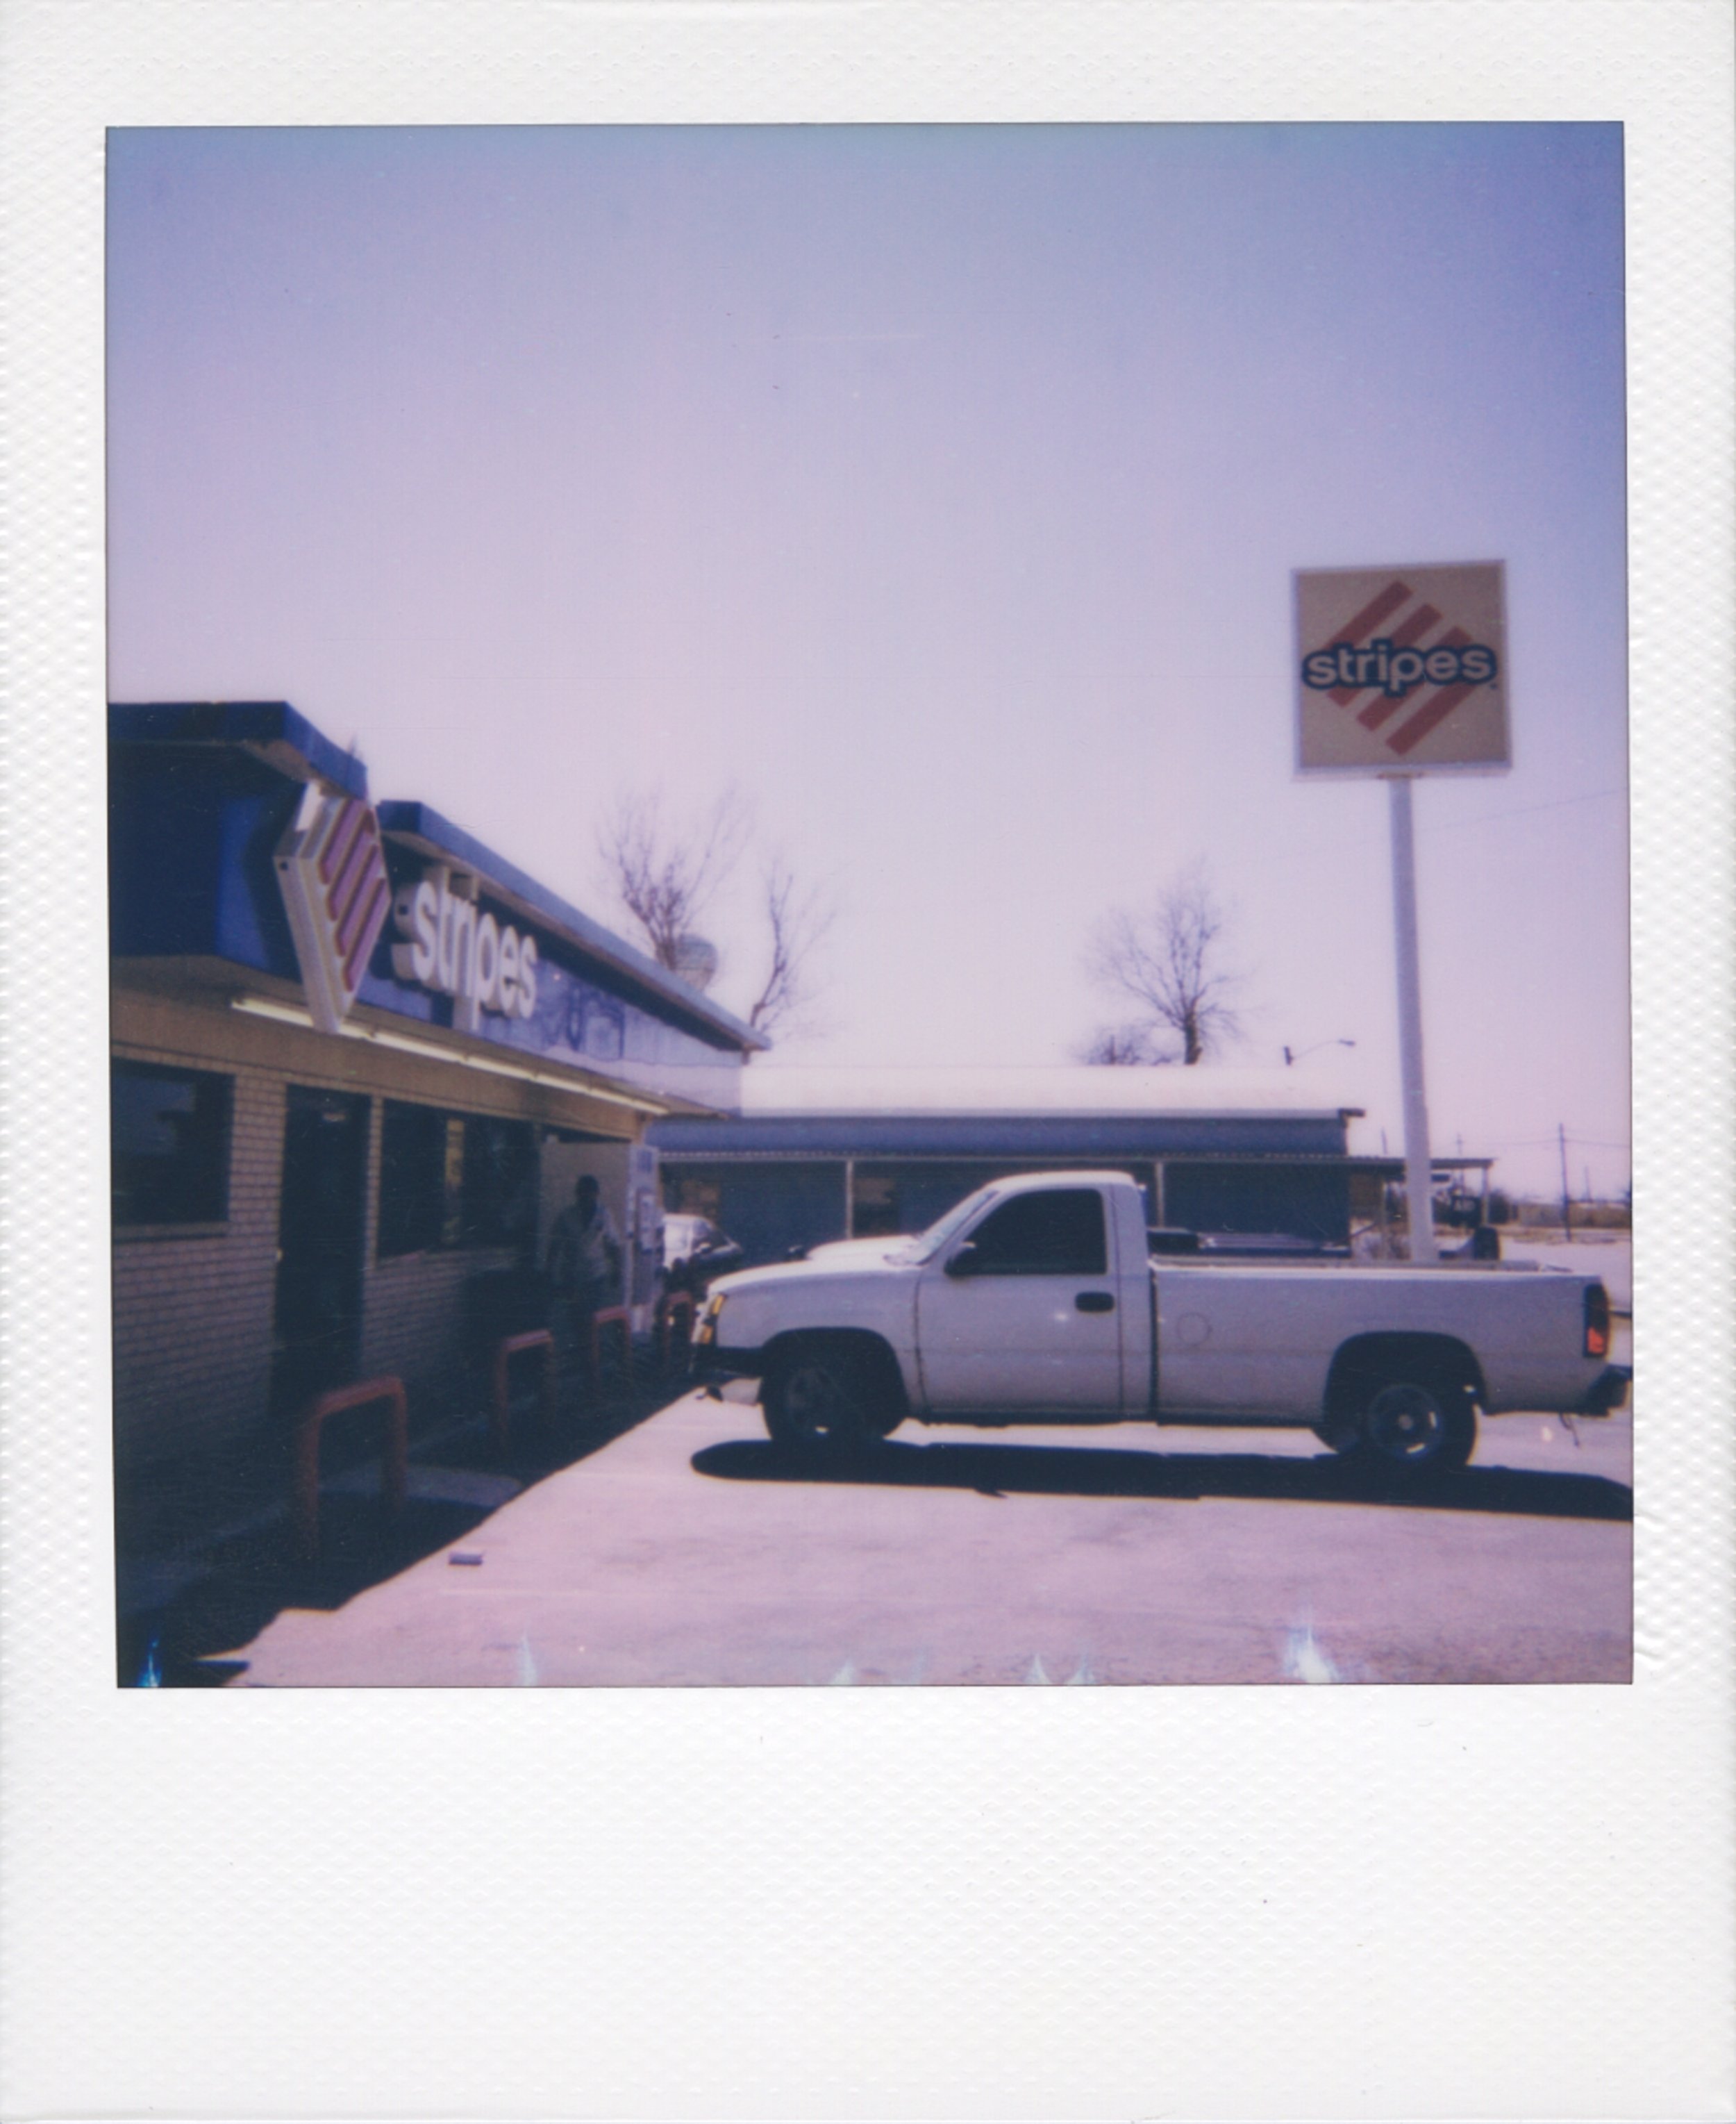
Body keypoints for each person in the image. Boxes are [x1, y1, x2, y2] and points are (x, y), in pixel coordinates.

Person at [545, 1175, 623, 1382]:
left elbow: (614, 1246)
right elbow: (555, 1245)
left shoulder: (604, 1215)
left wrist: (617, 1271)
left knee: (591, 1320)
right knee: (575, 1320)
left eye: (590, 1193)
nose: (586, 1197)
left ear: (596, 1194)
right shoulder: (567, 1216)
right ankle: (580, 1362)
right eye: (582, 1193)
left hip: (595, 1276)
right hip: (571, 1276)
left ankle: (591, 1365)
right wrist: (549, 1272)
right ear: (577, 1194)